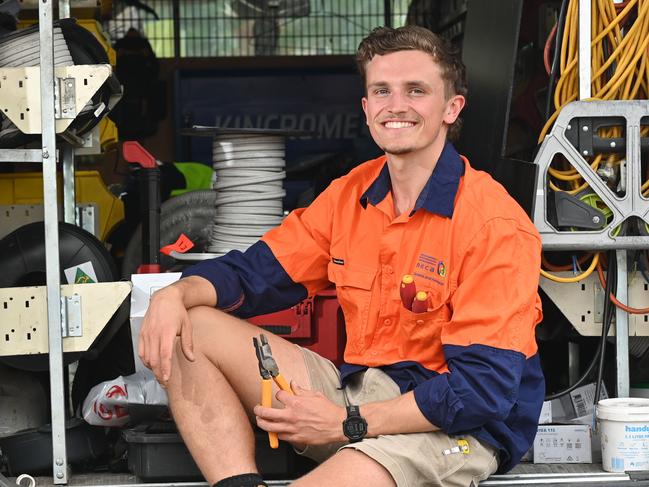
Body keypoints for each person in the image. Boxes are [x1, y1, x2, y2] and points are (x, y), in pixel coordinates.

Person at [139, 25, 545, 487]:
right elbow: (256, 273)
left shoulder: (494, 225)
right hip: (359, 393)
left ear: (452, 108)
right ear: (367, 108)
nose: (397, 105)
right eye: (382, 91)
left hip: (451, 426)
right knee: (188, 324)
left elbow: (479, 393)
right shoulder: (351, 194)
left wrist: (346, 422)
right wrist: (175, 294)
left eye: (416, 90)